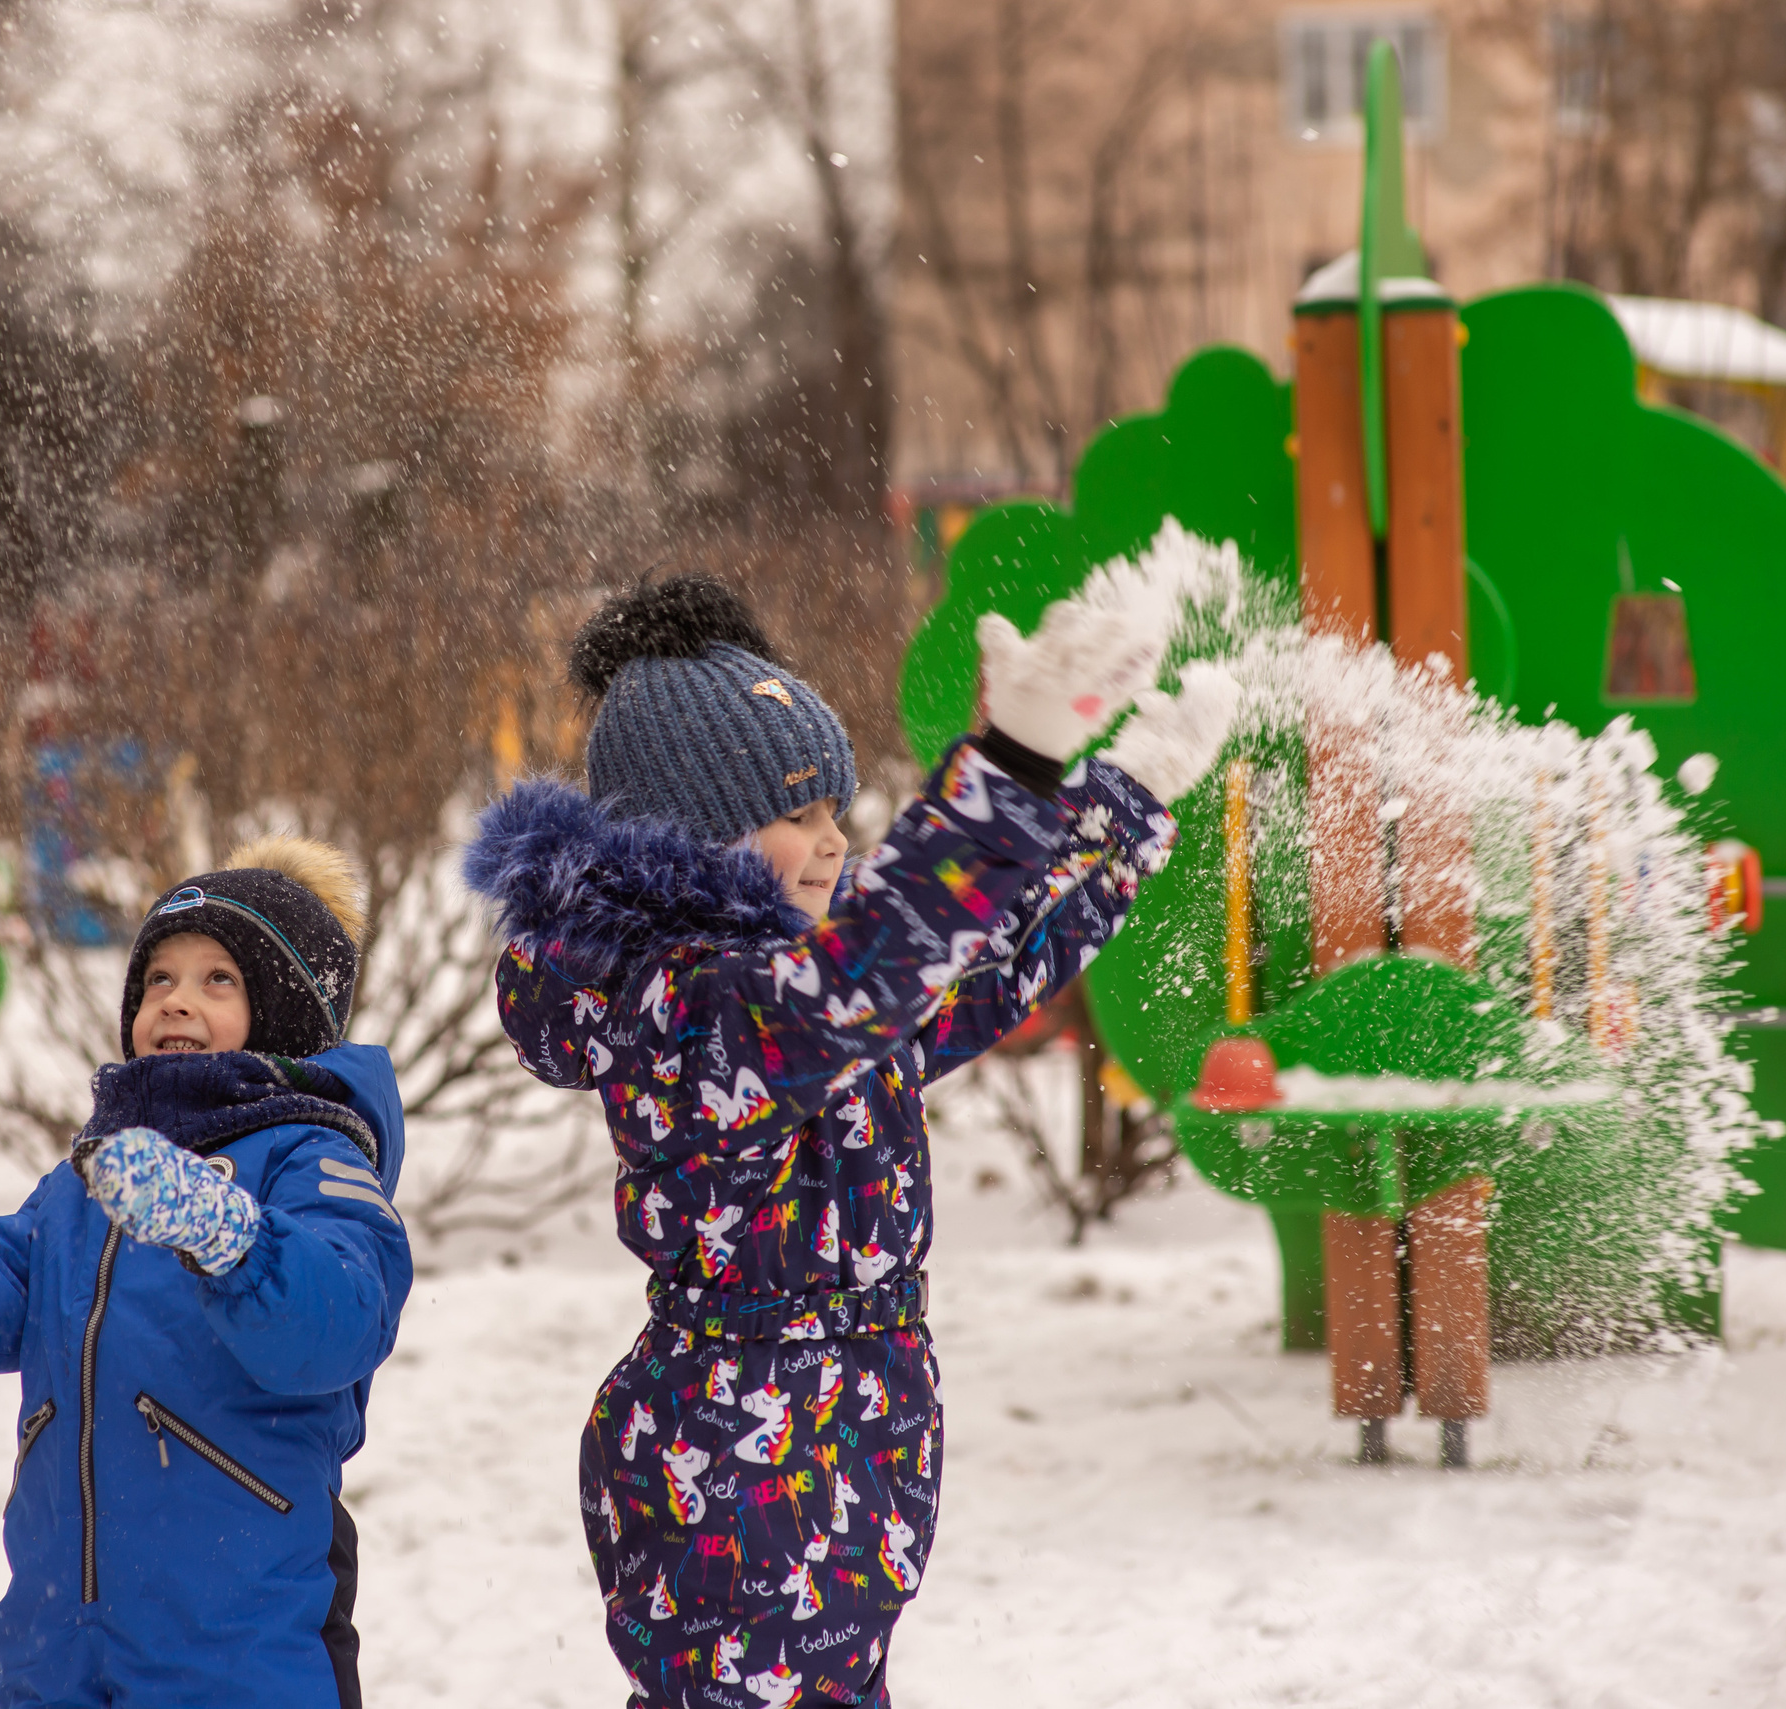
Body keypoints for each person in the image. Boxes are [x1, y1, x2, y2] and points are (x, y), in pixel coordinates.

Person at [463, 572, 1236, 1707]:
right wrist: (1008, 774)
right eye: (797, 817)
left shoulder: (813, 991)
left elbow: (978, 957)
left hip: (846, 1447)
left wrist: (1126, 802)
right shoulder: (700, 1013)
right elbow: (876, 961)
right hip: (735, 1477)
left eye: (835, 810)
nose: (833, 844)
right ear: (698, 840)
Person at [0, 835, 411, 1709]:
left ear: (285, 1013)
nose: (176, 1000)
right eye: (158, 980)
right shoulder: (86, 1185)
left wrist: (228, 1233)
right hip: (59, 1652)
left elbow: (339, 1320)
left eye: (219, 979)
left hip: (239, 1654)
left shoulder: (310, 1159)